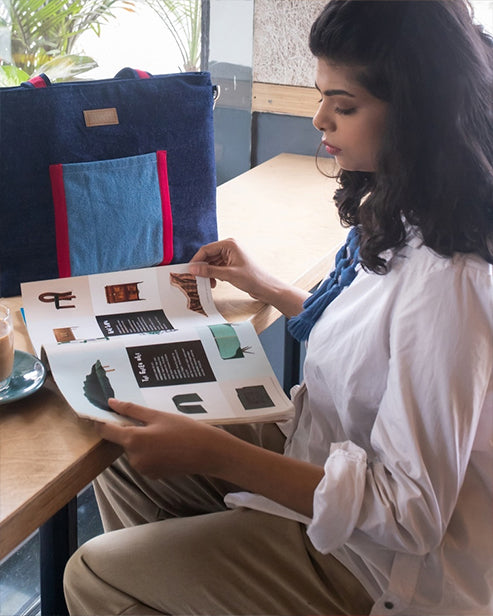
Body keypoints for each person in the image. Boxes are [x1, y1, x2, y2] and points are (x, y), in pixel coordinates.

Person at [64, 1, 493, 614]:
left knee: (93, 575)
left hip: (382, 570)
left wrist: (215, 452)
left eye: (344, 106)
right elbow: (375, 349)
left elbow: (409, 516)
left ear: (420, 118)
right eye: (322, 97)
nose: (320, 119)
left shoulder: (450, 281)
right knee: (121, 441)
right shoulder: (410, 212)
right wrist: (265, 285)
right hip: (326, 463)